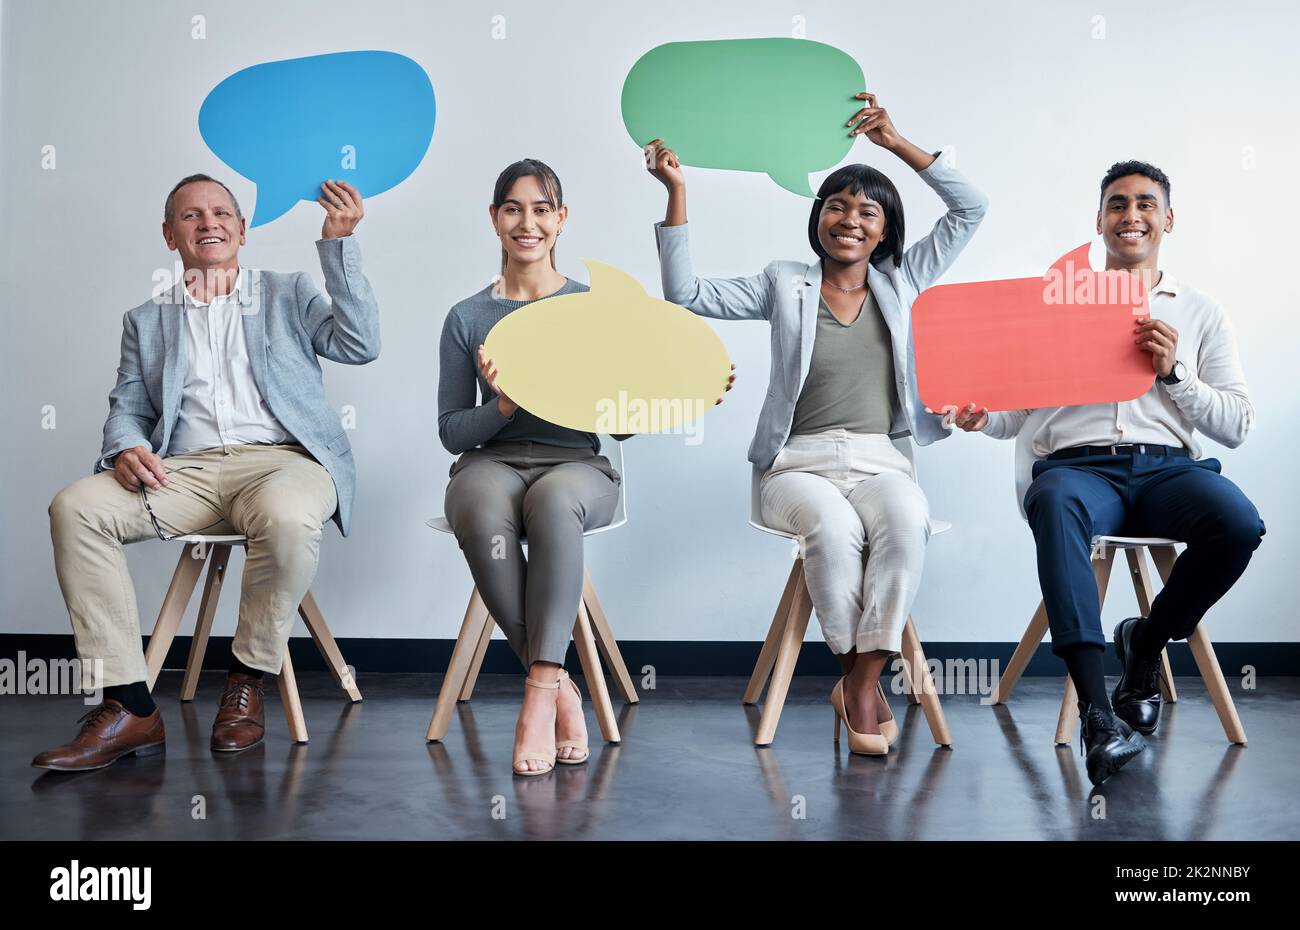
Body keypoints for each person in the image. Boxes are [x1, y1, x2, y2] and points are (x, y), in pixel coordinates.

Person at [646, 92, 987, 755]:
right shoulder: (785, 282)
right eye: (837, 205)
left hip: (882, 460)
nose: (850, 218)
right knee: (832, 530)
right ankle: (860, 686)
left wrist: (897, 143)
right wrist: (677, 192)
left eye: (868, 210)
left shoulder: (904, 281)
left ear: (886, 229)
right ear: (817, 217)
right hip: (795, 464)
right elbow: (684, 293)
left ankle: (861, 680)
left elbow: (972, 206)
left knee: (906, 521)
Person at [34, 174, 379, 771]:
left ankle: (246, 683)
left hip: (283, 463)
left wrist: (338, 245)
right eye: (191, 216)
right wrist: (124, 449)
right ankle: (130, 706)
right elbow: (128, 410)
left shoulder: (287, 291)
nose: (209, 223)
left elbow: (360, 344)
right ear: (170, 235)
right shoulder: (146, 319)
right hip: (184, 475)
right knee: (76, 506)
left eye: (221, 212)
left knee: (287, 515)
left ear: (243, 229)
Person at [947, 160, 1264, 786]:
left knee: (1237, 523)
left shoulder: (1201, 312)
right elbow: (1019, 415)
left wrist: (1176, 374)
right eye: (1117, 205)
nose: (1131, 215)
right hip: (1079, 470)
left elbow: (1237, 424)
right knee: (1055, 499)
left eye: (1145, 204)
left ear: (1167, 220)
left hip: (1168, 471)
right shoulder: (1055, 306)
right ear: (1099, 220)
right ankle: (1097, 712)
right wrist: (984, 418)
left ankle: (1144, 645)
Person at [439, 158, 733, 776]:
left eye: (542, 209)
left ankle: (537, 694)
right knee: (476, 507)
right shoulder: (467, 317)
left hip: (577, 466)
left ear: (561, 219)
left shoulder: (591, 306)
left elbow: (620, 422)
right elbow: (451, 432)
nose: (528, 223)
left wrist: (690, 389)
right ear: (494, 219)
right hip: (491, 462)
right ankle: (560, 685)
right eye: (514, 209)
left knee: (551, 506)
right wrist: (505, 403)